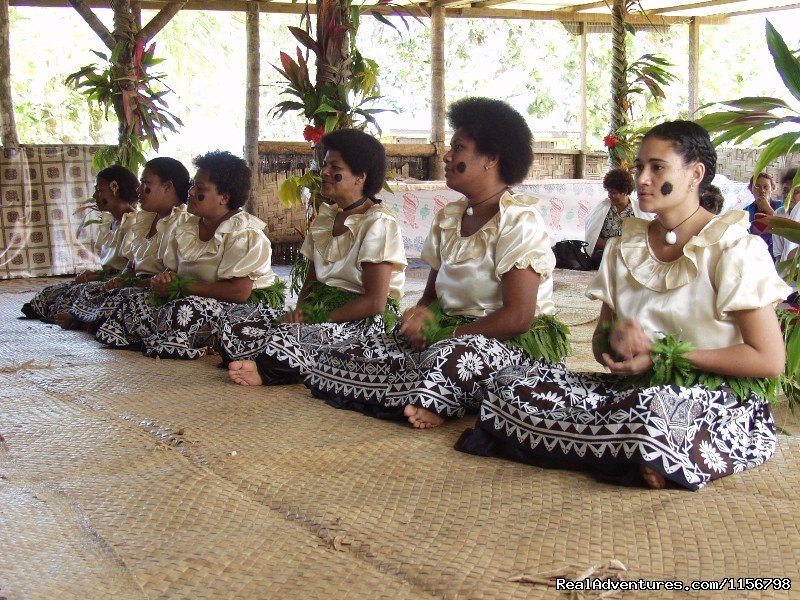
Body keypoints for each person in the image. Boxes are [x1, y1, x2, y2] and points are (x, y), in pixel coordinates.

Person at [456, 120, 790, 490]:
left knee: (656, 412)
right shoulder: (623, 247)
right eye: (639, 167)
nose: (642, 179)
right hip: (635, 392)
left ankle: (647, 446)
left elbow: (768, 360)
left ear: (696, 174)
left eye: (657, 167)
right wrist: (616, 342)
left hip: (716, 399)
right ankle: (645, 453)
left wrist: (663, 354)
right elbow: (601, 344)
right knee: (512, 386)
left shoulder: (733, 248)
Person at [305, 97, 570, 429]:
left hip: (508, 345)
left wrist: (448, 335)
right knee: (348, 352)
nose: (447, 156)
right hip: (453, 336)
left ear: (491, 159)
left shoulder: (519, 221)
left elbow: (518, 318)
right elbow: (431, 297)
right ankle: (430, 392)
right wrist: (420, 317)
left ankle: (435, 395)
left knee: (454, 357)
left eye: (458, 148)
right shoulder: (449, 218)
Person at [225, 129, 406, 385]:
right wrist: (300, 314)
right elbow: (311, 283)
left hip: (360, 321)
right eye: (324, 165)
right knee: (237, 323)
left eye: (335, 167)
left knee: (301, 337)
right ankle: (292, 358)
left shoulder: (378, 223)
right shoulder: (326, 217)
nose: (324, 172)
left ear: (360, 177)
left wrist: (316, 321)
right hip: (320, 314)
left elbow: (374, 303)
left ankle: (270, 369)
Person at [96, 150, 283, 359]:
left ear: (225, 197)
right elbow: (171, 271)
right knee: (133, 299)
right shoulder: (187, 227)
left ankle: (176, 341)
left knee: (185, 309)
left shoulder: (244, 233)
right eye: (193, 185)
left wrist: (183, 288)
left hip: (237, 307)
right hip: (192, 299)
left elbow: (239, 292)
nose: (191, 192)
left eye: (200, 189)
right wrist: (162, 281)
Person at [66, 157, 191, 331]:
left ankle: (85, 322)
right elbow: (132, 265)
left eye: (146, 183)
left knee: (124, 298)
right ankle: (87, 320)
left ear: (168, 187)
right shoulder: (146, 219)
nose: (139, 189)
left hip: (155, 291)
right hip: (136, 285)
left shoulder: (183, 223)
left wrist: (130, 284)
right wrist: (120, 279)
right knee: (90, 291)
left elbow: (173, 277)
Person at [21, 165, 139, 324]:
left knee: (81, 291)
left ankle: (79, 319)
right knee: (51, 292)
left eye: (99, 190)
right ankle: (57, 312)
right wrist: (93, 274)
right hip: (108, 279)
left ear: (115, 189)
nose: (95, 195)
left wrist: (97, 277)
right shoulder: (111, 223)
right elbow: (111, 267)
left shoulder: (134, 224)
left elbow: (130, 271)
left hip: (120, 284)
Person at [584, 168, 644, 268]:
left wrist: (625, 250)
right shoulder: (603, 207)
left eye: (614, 193)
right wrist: (612, 247)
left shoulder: (637, 210)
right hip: (605, 252)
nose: (610, 196)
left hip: (629, 253)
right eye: (609, 192)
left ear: (625, 192)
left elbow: (643, 239)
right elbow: (593, 236)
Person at [746, 172, 780, 255]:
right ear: (751, 189)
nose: (762, 191)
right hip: (753, 254)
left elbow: (783, 226)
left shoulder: (780, 207)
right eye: (757, 187)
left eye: (766, 187)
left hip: (776, 256)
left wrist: (767, 208)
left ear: (772, 188)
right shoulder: (746, 211)